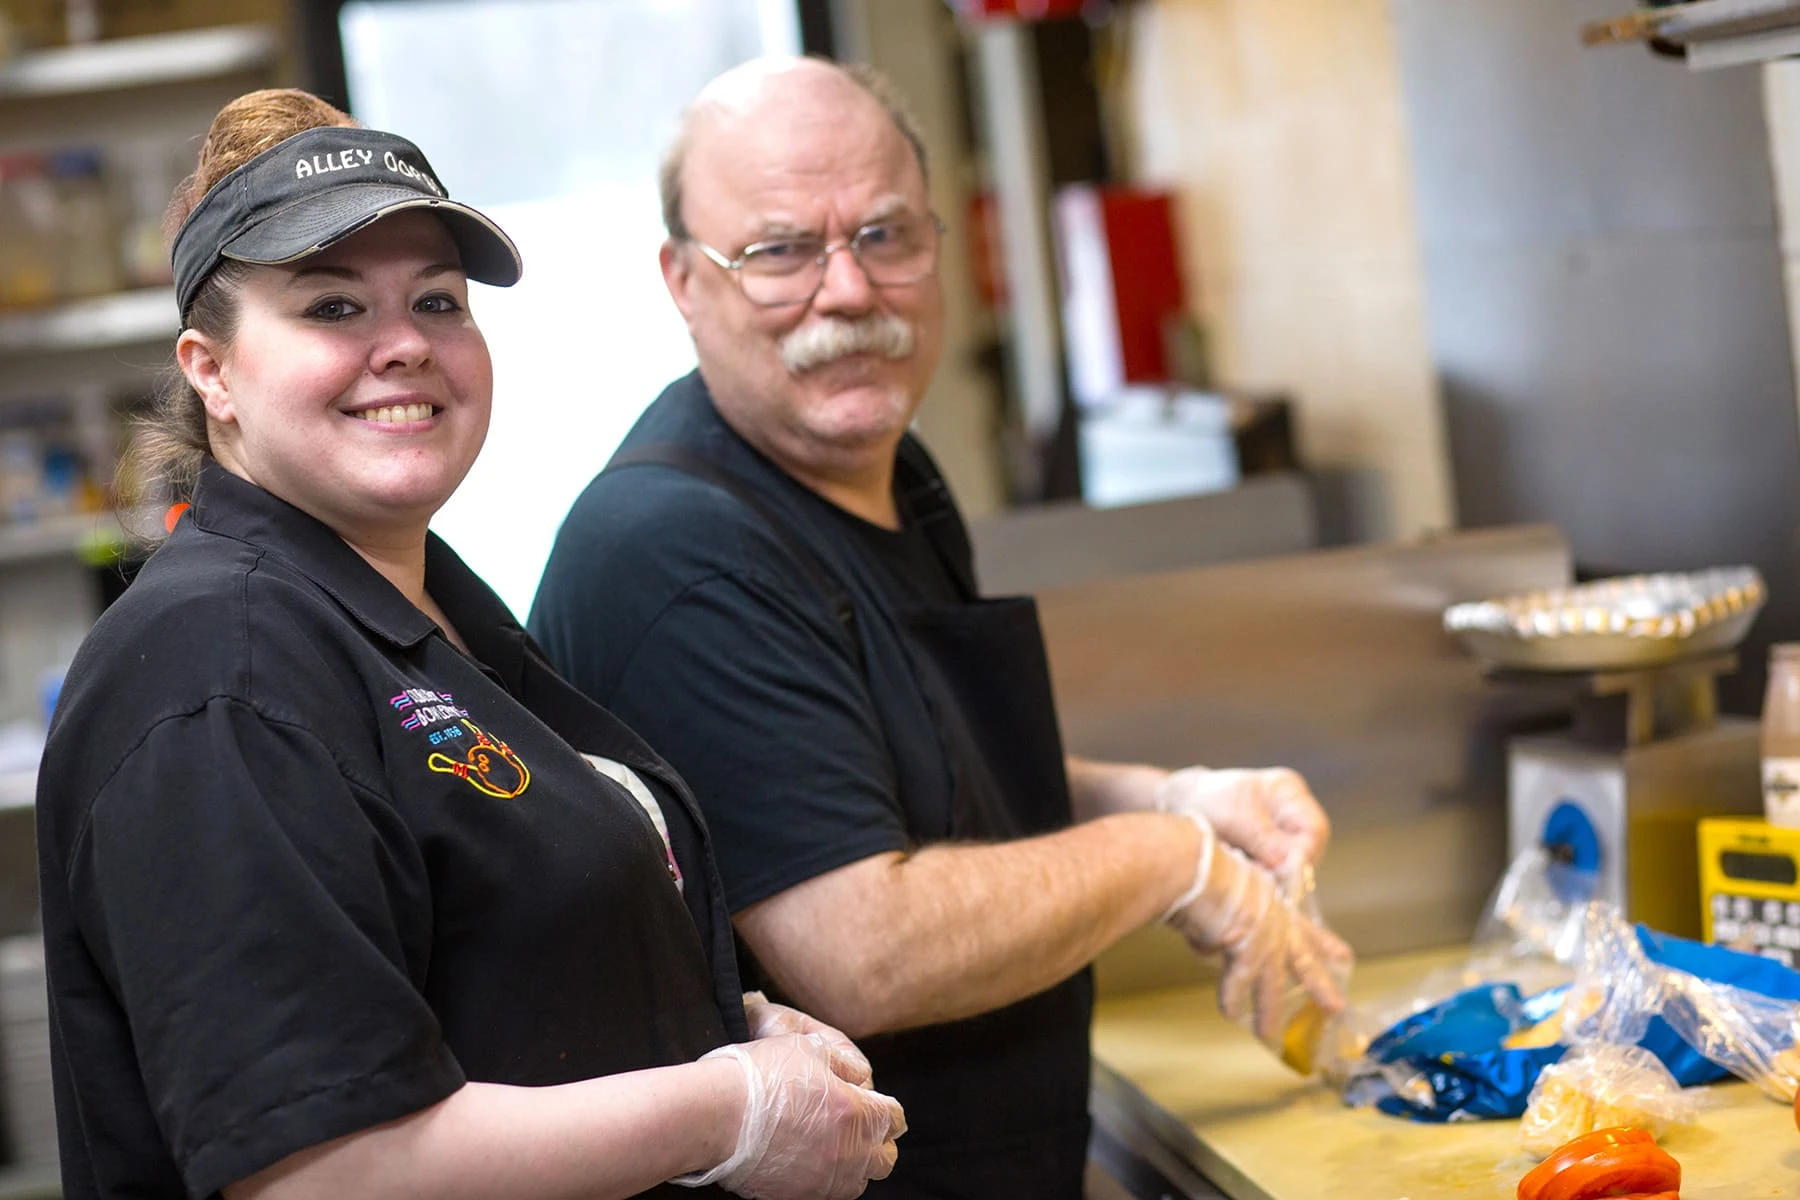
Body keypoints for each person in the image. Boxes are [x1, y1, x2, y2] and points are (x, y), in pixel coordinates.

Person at [34, 88, 906, 1200]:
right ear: (212, 371)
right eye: (334, 308)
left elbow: (476, 967)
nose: (403, 346)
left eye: (438, 301)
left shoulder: (435, 610)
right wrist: (722, 1109)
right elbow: (320, 1168)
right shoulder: (221, 670)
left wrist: (700, 1020)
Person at [529, 57, 1352, 1199]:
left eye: (884, 234)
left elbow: (895, 770)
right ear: (682, 280)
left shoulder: (884, 470)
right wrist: (1173, 862)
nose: (849, 291)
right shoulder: (672, 549)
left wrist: (1168, 793)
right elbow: (863, 946)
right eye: (779, 251)